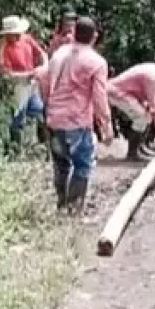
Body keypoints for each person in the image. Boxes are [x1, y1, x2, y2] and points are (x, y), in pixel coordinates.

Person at [37, 16, 113, 214]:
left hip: (54, 118)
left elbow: (44, 80)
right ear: (94, 36)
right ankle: (73, 210)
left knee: (61, 165)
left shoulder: (59, 53)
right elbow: (99, 97)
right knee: (82, 165)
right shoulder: (96, 62)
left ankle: (62, 204)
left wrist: (48, 105)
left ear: (74, 33)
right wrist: (106, 125)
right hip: (77, 122)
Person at [0, 15, 48, 155]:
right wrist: (27, 75)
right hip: (18, 85)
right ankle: (16, 149)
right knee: (18, 116)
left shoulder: (27, 39)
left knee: (37, 110)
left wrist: (43, 66)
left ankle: (37, 144)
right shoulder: (5, 48)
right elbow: (5, 74)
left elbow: (42, 53)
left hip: (31, 82)